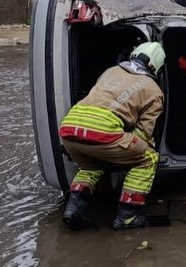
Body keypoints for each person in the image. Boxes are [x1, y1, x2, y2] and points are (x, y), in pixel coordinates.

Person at [59, 41, 166, 230]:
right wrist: (130, 147)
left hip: (69, 129)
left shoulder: (111, 71)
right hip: (102, 133)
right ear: (155, 66)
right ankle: (127, 217)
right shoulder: (154, 90)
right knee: (148, 157)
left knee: (92, 163)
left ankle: (73, 209)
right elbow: (143, 135)